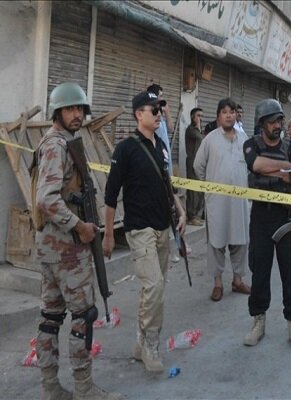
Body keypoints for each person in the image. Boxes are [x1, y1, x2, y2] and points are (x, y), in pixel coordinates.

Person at [34, 82, 122, 399]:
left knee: (51, 317)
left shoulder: (63, 141)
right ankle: (84, 390)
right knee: (82, 316)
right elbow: (47, 198)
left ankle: (50, 389)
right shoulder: (56, 145)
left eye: (80, 109)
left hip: (52, 248)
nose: (76, 115)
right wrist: (80, 226)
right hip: (67, 248)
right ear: (57, 112)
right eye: (70, 109)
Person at [103, 90, 186, 372]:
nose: (159, 113)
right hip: (139, 228)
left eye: (160, 109)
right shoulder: (125, 149)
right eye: (154, 109)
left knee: (156, 290)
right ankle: (152, 344)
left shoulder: (161, 145)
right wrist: (109, 234)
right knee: (154, 286)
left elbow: (167, 183)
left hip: (164, 226)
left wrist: (182, 210)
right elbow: (111, 193)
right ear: (139, 114)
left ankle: (140, 340)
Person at [243, 99, 291, 349]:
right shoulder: (251, 144)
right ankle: (259, 321)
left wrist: (274, 170)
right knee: (259, 271)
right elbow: (254, 165)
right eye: (273, 121)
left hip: (286, 218)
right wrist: (284, 169)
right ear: (262, 124)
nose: (278, 125)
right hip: (261, 217)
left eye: (280, 120)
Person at [194, 98, 251, 301]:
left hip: (240, 203)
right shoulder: (209, 139)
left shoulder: (245, 139)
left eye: (232, 111)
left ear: (236, 115)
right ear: (218, 116)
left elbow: (252, 167)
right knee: (216, 243)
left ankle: (237, 280)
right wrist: (210, 188)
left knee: (240, 242)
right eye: (224, 112)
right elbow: (198, 166)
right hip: (217, 203)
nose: (228, 115)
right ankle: (217, 283)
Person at [147, 83, 174, 176]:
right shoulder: (150, 115)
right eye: (161, 96)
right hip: (157, 159)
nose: (163, 99)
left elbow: (171, 129)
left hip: (165, 156)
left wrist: (167, 112)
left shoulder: (160, 115)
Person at [185, 107, 205, 226]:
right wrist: (198, 127)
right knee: (193, 191)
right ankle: (191, 216)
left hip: (200, 163)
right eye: (198, 116)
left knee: (200, 190)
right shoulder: (191, 130)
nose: (200, 118)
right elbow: (200, 139)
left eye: (202, 116)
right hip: (192, 162)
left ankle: (197, 215)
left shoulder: (199, 130)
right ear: (193, 117)